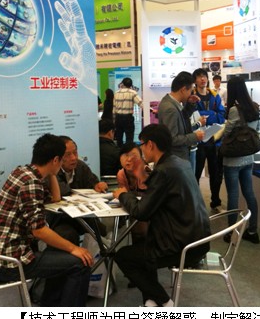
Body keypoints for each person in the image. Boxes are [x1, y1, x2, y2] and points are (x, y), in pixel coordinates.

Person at [0, 133, 93, 307]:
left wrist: (52, 173)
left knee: (64, 255)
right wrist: (74, 248)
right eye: (62, 159)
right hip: (11, 261)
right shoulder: (31, 183)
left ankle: (50, 306)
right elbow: (39, 231)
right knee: (80, 263)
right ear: (56, 160)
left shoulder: (22, 172)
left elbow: (55, 198)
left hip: (1, 255)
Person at [113, 124, 211, 307]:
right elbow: (157, 196)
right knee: (143, 247)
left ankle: (165, 302)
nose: (141, 150)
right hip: (198, 238)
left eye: (142, 145)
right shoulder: (179, 163)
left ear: (150, 144)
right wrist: (141, 176)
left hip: (182, 245)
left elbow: (141, 212)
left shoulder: (163, 171)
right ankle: (152, 301)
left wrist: (123, 195)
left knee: (124, 256)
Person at [221, 76, 260, 244]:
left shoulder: (234, 110)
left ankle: (231, 232)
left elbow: (227, 132)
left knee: (233, 195)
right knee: (249, 193)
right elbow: (258, 128)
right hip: (248, 158)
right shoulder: (254, 106)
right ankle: (253, 230)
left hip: (233, 159)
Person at [47, 136, 109, 244]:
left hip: (81, 215)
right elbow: (63, 192)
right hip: (59, 218)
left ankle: (94, 255)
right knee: (68, 235)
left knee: (100, 229)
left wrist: (98, 185)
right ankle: (75, 255)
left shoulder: (80, 166)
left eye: (75, 153)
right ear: (58, 157)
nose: (74, 158)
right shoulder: (52, 170)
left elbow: (93, 181)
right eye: (68, 155)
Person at [191, 68, 226, 212]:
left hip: (213, 139)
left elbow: (221, 115)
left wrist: (207, 116)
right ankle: (195, 204)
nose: (202, 79)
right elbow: (192, 116)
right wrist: (212, 114)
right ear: (195, 80)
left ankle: (215, 201)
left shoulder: (214, 95)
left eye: (204, 76)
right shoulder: (191, 96)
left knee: (215, 172)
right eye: (199, 77)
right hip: (197, 140)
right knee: (196, 173)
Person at [157, 71, 206, 170]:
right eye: (190, 91)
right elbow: (172, 139)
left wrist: (190, 104)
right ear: (183, 90)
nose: (190, 94)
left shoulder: (172, 102)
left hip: (179, 158)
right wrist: (194, 137)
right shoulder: (170, 108)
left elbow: (182, 120)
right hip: (177, 158)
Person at [116, 142, 151, 243]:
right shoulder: (121, 174)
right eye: (125, 155)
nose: (129, 159)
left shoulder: (146, 172)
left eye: (134, 156)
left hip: (147, 212)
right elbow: (124, 196)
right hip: (132, 209)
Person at [113, 77, 143, 146]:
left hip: (118, 117)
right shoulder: (133, 92)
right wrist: (151, 109)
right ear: (131, 85)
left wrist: (114, 119)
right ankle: (129, 151)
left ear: (122, 84)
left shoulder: (116, 93)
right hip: (128, 118)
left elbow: (114, 108)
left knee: (119, 137)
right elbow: (141, 103)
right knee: (129, 137)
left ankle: (119, 151)